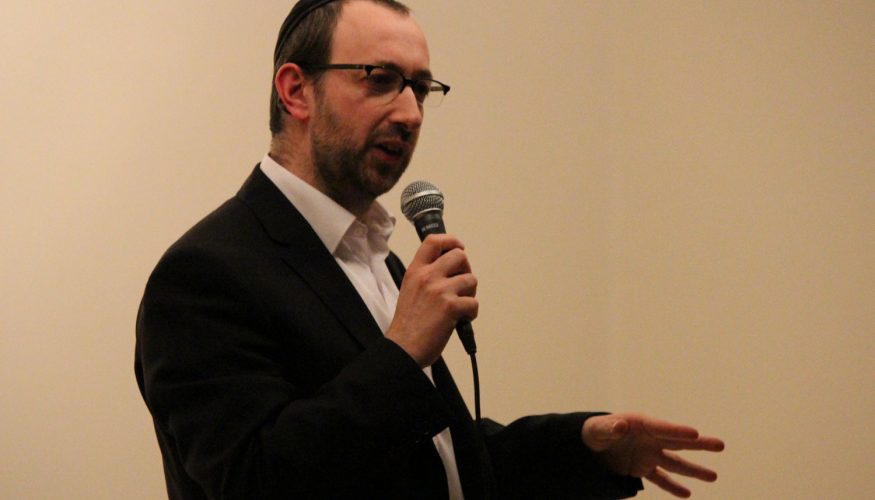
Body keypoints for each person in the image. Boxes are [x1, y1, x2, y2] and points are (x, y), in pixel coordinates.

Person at [134, 1, 725, 498]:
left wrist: (584, 445)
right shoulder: (205, 275)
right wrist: (401, 353)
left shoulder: (375, 256)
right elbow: (254, 480)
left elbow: (436, 459)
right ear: (296, 91)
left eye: (420, 88)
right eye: (379, 79)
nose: (411, 113)